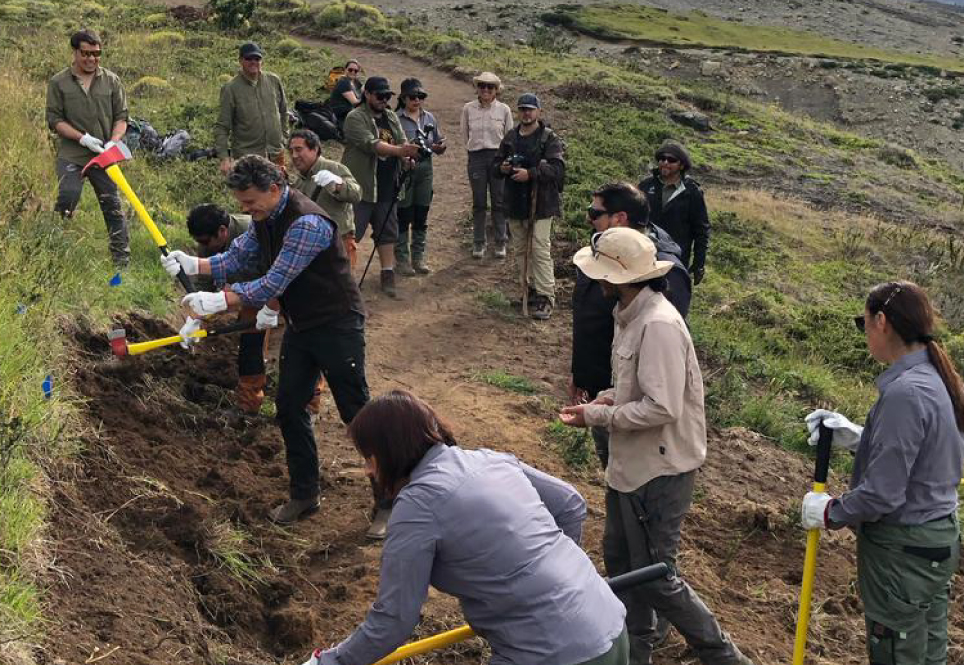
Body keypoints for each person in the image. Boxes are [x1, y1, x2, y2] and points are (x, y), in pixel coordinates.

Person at [159, 157, 391, 537]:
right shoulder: (264, 219)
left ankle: (387, 502)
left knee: (356, 414)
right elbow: (237, 257)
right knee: (288, 407)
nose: (246, 210)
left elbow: (272, 281)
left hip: (337, 324)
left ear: (274, 188)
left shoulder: (307, 224)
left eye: (250, 202)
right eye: (242, 204)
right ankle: (305, 493)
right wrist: (193, 264)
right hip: (302, 325)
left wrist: (222, 301)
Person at [309, 391, 630, 665]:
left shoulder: (417, 505)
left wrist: (331, 660)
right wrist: (562, 578)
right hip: (610, 627)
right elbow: (571, 503)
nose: (367, 470)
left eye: (369, 457)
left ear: (389, 452)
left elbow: (393, 620)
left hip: (553, 653)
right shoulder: (489, 460)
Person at [559, 228, 751, 665]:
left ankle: (723, 655)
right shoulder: (628, 315)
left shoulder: (658, 324)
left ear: (620, 278)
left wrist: (599, 416)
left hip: (659, 471)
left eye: (601, 274)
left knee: (655, 576)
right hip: (632, 464)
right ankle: (634, 654)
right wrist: (607, 398)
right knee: (624, 569)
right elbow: (637, 389)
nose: (596, 282)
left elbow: (661, 407)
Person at [802, 281, 964, 665]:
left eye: (863, 324)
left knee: (897, 652)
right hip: (934, 540)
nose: (864, 335)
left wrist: (829, 511)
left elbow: (882, 494)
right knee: (927, 655)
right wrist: (863, 438)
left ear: (882, 322)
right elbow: (931, 455)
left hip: (903, 551)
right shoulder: (938, 377)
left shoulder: (905, 392)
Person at [572, 182, 692, 470]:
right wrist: (580, 374)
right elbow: (587, 317)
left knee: (635, 472)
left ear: (620, 219)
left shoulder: (663, 272)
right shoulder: (605, 254)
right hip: (604, 392)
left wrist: (615, 400)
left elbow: (659, 352)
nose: (589, 219)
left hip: (637, 406)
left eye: (595, 213)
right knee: (615, 469)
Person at [45, 28, 130, 268]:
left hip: (104, 155)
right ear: (75, 52)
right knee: (67, 197)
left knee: (112, 204)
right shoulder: (59, 82)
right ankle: (54, 255)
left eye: (96, 53)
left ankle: (121, 261)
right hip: (73, 153)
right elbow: (55, 120)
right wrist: (82, 138)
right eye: (86, 54)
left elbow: (122, 117)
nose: (91, 59)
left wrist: (114, 141)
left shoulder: (112, 81)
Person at [186, 203, 270, 413]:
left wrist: (233, 293)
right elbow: (204, 281)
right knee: (250, 346)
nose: (203, 246)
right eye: (199, 242)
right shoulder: (208, 240)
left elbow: (271, 273)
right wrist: (196, 316)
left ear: (223, 231)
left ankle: (308, 407)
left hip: (279, 288)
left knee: (299, 347)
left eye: (205, 241)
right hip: (248, 293)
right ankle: (248, 406)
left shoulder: (255, 230)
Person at [341, 76, 420, 299]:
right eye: (380, 95)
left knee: (388, 232)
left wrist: (407, 160)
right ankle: (345, 278)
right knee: (351, 233)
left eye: (387, 96)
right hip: (361, 186)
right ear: (367, 94)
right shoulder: (355, 117)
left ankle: (387, 273)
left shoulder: (392, 117)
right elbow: (372, 144)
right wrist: (401, 151)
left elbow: (400, 141)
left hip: (387, 185)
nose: (384, 99)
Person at [493, 93, 564, 321]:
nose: (526, 113)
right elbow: (496, 164)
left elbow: (557, 170)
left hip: (541, 204)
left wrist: (530, 174)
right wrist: (503, 168)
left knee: (540, 249)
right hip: (515, 203)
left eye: (530, 109)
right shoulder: (511, 137)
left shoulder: (548, 138)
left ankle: (545, 296)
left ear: (538, 112)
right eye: (523, 109)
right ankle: (528, 290)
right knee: (522, 250)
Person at [287, 129, 363, 269]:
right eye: (291, 151)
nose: (294, 156)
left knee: (341, 287)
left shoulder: (333, 168)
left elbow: (356, 194)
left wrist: (338, 184)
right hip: (311, 244)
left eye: (299, 149)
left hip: (337, 242)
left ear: (315, 149)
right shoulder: (300, 178)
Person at [394, 78, 446, 277]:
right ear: (403, 98)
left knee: (421, 213)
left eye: (421, 97)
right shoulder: (396, 119)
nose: (417, 100)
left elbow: (437, 143)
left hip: (425, 169)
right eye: (413, 97)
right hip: (405, 169)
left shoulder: (429, 118)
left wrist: (440, 147)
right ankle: (402, 259)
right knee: (403, 214)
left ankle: (418, 257)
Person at [638, 141, 709, 285]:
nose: (665, 162)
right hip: (644, 254)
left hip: (675, 259)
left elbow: (701, 230)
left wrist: (699, 263)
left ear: (681, 165)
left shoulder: (692, 192)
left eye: (671, 160)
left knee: (670, 300)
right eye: (662, 158)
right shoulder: (645, 186)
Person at [214, 41, 290, 175]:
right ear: (240, 60)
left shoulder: (273, 81)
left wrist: (284, 137)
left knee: (277, 192)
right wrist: (224, 158)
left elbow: (284, 111)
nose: (253, 62)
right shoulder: (230, 89)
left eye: (257, 58)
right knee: (252, 194)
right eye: (249, 58)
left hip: (276, 153)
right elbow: (222, 126)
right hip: (248, 157)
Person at [460, 71, 513, 260]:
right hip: (476, 158)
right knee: (479, 202)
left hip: (497, 157)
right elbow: (465, 134)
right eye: (482, 85)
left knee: (499, 201)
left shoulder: (504, 110)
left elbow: (509, 137)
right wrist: (473, 153)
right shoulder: (468, 109)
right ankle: (478, 242)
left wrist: (506, 160)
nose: (485, 90)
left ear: (497, 90)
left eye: (490, 87)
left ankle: (500, 241)